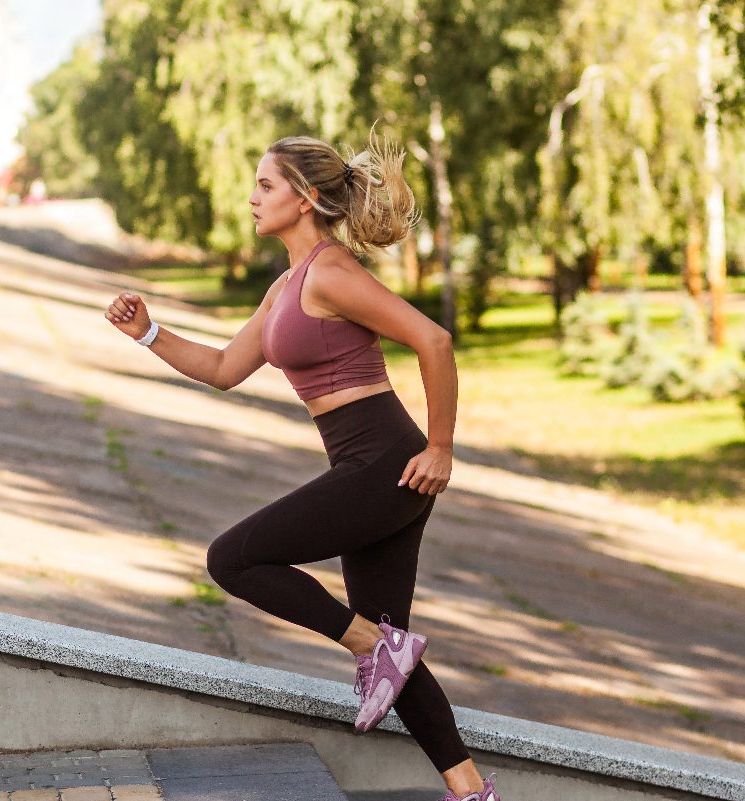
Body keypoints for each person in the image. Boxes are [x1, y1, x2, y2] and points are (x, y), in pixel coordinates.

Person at [103, 129, 499, 801]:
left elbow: (434, 339)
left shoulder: (333, 273)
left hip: (387, 463)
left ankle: (371, 645)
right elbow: (226, 368)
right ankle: (471, 791)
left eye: (266, 185)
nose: (252, 197)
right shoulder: (289, 283)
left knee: (233, 558)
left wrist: (441, 446)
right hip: (370, 465)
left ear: (306, 197)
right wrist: (148, 331)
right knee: (391, 649)